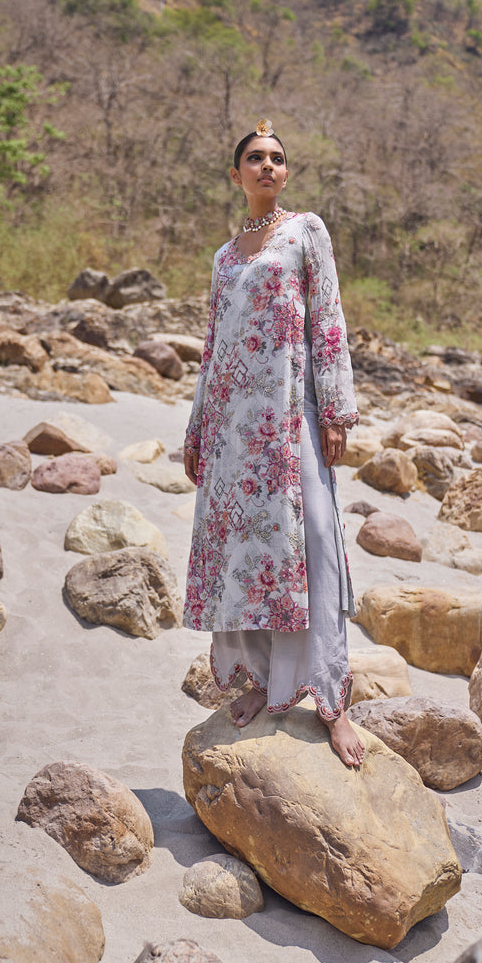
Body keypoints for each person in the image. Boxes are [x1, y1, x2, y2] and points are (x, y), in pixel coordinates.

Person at [183, 119, 364, 767]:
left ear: (285, 173)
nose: (267, 166)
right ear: (236, 175)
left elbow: (328, 319)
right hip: (233, 430)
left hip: (291, 418)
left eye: (277, 158)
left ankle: (332, 702)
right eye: (255, 158)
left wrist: (335, 410)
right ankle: (262, 682)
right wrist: (197, 426)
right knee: (250, 554)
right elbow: (213, 346)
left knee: (313, 544)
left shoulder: (305, 231)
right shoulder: (224, 256)